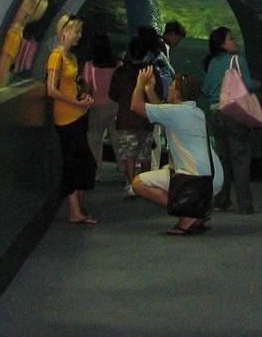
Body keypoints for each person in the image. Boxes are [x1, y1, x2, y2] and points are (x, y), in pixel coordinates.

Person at [130, 66, 223, 235]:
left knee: (138, 183)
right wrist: (150, 90)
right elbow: (161, 110)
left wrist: (140, 83)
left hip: (195, 180)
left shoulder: (175, 112)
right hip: (213, 177)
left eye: (171, 87)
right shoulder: (195, 111)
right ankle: (195, 209)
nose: (168, 90)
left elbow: (136, 106)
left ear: (178, 94)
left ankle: (190, 213)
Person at [45, 14, 97, 224]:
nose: (79, 36)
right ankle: (75, 211)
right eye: (77, 31)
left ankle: (79, 208)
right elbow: (51, 89)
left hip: (79, 116)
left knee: (84, 163)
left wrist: (83, 97)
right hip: (66, 119)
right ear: (66, 31)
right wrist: (76, 103)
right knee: (75, 163)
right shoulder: (56, 57)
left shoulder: (72, 58)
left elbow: (74, 85)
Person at [201, 25, 257, 215]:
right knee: (240, 158)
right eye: (231, 38)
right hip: (234, 113)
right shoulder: (237, 60)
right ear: (222, 44)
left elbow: (207, 89)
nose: (235, 41)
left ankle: (221, 199)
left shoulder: (212, 63)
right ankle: (245, 205)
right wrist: (258, 83)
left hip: (215, 113)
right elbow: (247, 84)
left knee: (223, 158)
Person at [109, 30, 160, 197]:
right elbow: (159, 93)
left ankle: (131, 184)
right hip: (146, 117)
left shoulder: (121, 72)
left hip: (126, 118)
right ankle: (144, 184)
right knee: (145, 153)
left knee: (128, 153)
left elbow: (113, 94)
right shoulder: (151, 72)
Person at [81, 33, 120, 171]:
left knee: (95, 140)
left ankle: (95, 171)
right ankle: (124, 169)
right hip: (116, 106)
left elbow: (86, 87)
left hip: (98, 106)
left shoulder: (89, 65)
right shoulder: (118, 64)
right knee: (118, 140)